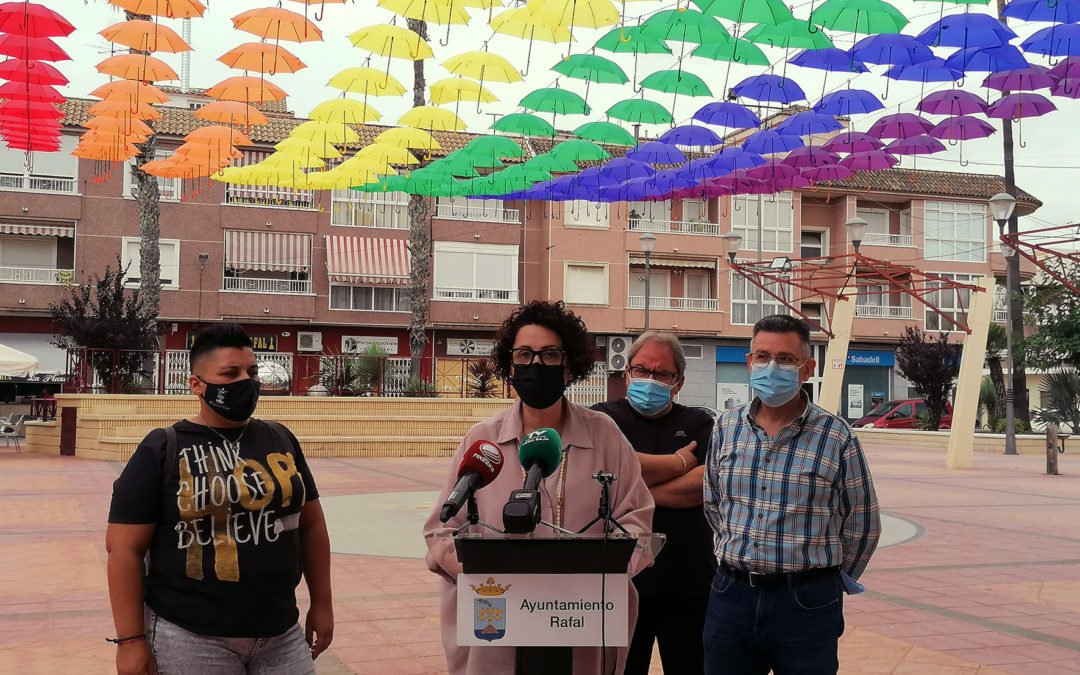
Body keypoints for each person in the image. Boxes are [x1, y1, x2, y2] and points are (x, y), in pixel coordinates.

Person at [424, 300, 655, 675]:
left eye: (549, 355)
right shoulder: (482, 440)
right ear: (509, 365)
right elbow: (441, 531)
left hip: (581, 618)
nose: (536, 365)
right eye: (524, 354)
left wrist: (605, 567)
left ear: (569, 367)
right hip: (497, 621)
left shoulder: (605, 436)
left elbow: (638, 521)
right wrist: (480, 568)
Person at [105, 323, 333, 675]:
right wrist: (130, 640)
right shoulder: (162, 448)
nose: (247, 381)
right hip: (190, 636)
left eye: (252, 371)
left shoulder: (279, 438)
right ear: (196, 384)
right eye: (231, 373)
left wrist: (322, 602)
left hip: (280, 632)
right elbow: (123, 549)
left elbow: (312, 525)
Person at [703, 314, 881, 675]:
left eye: (785, 358)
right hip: (731, 596)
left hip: (806, 604)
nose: (772, 366)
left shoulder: (837, 436)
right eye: (763, 356)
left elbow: (863, 524)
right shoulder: (726, 427)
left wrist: (830, 579)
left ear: (806, 368)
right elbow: (714, 503)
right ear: (749, 362)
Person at [592, 332, 716, 675]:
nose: (650, 379)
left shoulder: (699, 423)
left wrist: (627, 488)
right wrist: (678, 464)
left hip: (688, 581)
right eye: (641, 369)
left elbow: (705, 485)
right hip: (620, 581)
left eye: (661, 374)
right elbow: (597, 474)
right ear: (627, 372)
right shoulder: (602, 421)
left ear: (678, 382)